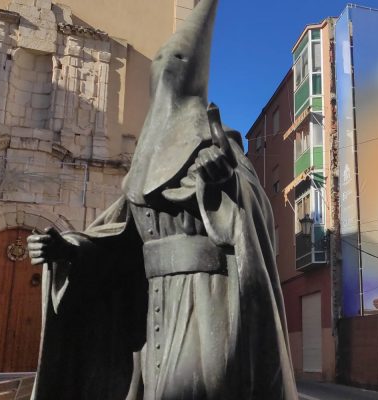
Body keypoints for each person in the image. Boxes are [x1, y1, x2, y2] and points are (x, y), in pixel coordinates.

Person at [26, 1, 297, 398]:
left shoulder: (219, 146)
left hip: (207, 304)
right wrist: (70, 248)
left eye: (178, 66)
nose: (168, 75)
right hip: (155, 308)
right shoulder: (143, 163)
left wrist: (222, 187)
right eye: (162, 68)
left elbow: (255, 218)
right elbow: (122, 239)